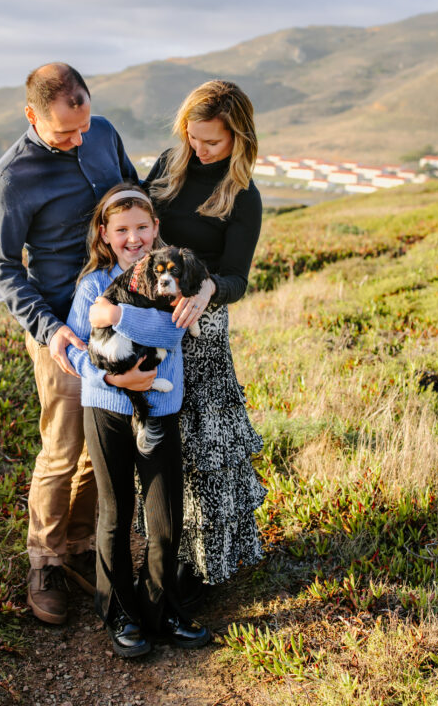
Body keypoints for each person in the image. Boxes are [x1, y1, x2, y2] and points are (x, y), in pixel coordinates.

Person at [0, 63, 138, 626]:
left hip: (119, 314)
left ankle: (79, 547)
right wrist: (51, 330)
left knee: (103, 438)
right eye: (64, 133)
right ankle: (45, 562)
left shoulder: (102, 132)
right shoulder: (11, 179)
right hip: (62, 330)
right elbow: (4, 268)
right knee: (62, 445)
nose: (79, 140)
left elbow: (132, 194)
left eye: (84, 126)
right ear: (31, 115)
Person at [65, 183, 210, 658]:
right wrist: (117, 381)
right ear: (104, 234)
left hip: (162, 410)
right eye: (122, 229)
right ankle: (121, 613)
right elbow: (77, 349)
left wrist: (117, 314)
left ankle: (161, 608)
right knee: (115, 513)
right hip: (105, 406)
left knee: (164, 515)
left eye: (142, 228)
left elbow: (171, 330)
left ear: (156, 230)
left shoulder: (175, 280)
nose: (134, 238)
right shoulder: (91, 286)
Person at [144, 79, 267, 601]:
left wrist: (211, 286)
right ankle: (162, 554)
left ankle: (204, 565)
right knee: (159, 441)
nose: (199, 150)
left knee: (206, 448)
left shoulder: (243, 196)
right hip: (150, 322)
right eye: (192, 137)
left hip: (203, 329)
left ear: (238, 137)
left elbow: (238, 276)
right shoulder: (169, 166)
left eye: (211, 142)